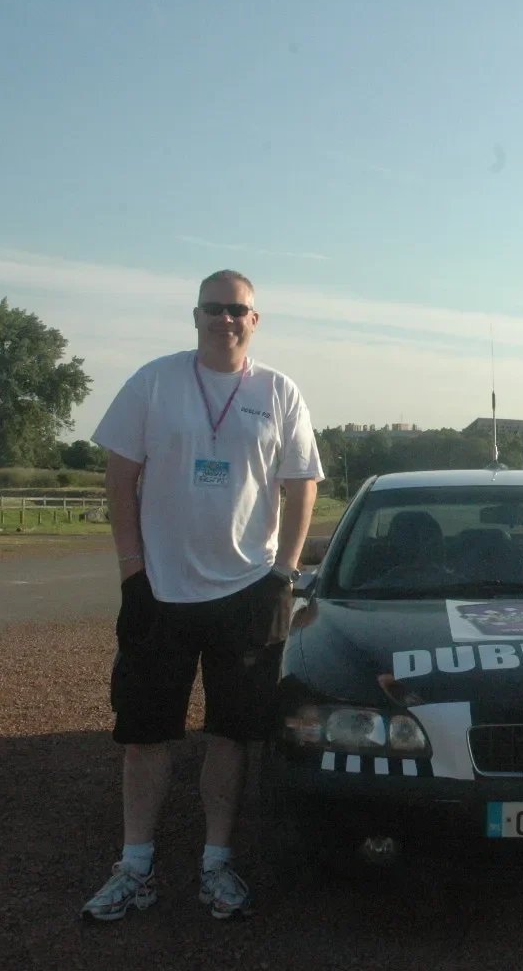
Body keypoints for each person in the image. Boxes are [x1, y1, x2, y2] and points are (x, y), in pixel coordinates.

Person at [81, 269, 324, 921]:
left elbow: (303, 483)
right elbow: (120, 475)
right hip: (160, 588)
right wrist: (132, 570)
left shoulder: (278, 392)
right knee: (144, 733)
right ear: (195, 317)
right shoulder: (154, 382)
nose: (226, 320)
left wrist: (288, 571)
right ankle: (135, 865)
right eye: (214, 309)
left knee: (232, 733)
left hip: (248, 590)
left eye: (237, 310)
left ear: (255, 320)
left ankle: (216, 862)